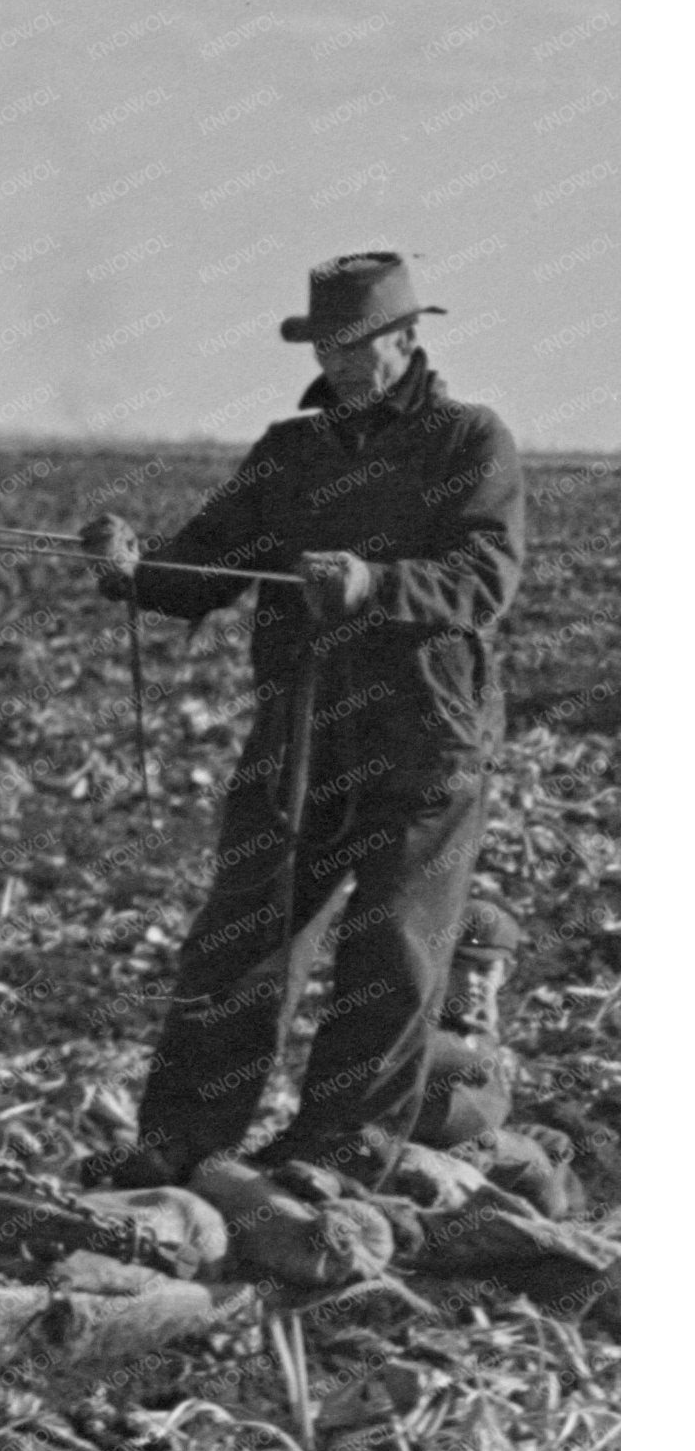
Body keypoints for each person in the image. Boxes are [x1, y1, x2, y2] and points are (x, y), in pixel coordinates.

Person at [77, 253, 526, 1188]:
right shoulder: (291, 451)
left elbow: (486, 576)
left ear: (409, 338)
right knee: (243, 938)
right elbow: (209, 561)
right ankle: (184, 1141)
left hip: (425, 739)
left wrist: (377, 583)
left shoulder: (468, 441)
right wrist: (134, 569)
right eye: (330, 342)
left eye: (362, 342)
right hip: (302, 736)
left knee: (392, 949)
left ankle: (336, 1154)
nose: (346, 359)